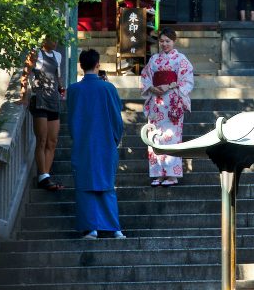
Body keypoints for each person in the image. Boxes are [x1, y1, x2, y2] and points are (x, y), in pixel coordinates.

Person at [68, 49, 126, 239]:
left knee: (85, 185)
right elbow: (117, 120)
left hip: (83, 142)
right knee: (106, 184)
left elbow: (71, 120)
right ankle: (113, 226)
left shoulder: (74, 90)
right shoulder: (108, 88)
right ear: (97, 64)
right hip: (105, 142)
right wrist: (115, 139)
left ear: (81, 66)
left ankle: (90, 227)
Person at [140, 27, 193, 186]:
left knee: (172, 137)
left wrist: (169, 86)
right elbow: (145, 77)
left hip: (172, 102)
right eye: (161, 41)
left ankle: (172, 175)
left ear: (174, 41)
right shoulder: (154, 59)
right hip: (156, 102)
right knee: (155, 136)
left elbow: (187, 80)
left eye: (167, 41)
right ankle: (158, 174)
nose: (164, 44)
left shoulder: (181, 59)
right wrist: (151, 87)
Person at [21, 37, 66, 191]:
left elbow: (57, 75)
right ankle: (42, 176)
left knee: (52, 140)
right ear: (44, 39)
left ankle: (46, 175)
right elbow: (25, 74)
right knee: (42, 139)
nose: (56, 42)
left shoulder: (57, 56)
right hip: (39, 99)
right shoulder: (35, 53)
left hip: (53, 100)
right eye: (53, 38)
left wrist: (61, 86)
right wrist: (23, 96)